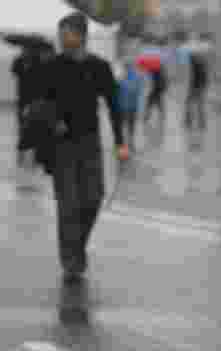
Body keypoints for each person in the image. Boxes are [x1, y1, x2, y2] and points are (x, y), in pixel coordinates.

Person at [39, 12, 129, 281]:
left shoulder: (99, 67)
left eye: (66, 33)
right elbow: (41, 102)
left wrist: (120, 143)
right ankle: (71, 260)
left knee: (93, 198)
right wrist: (53, 122)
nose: (62, 38)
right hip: (61, 145)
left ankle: (76, 247)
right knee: (68, 204)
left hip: (90, 143)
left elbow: (114, 106)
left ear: (81, 36)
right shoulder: (52, 66)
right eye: (60, 33)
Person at [12, 45, 54, 167]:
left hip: (37, 99)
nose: (25, 51)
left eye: (27, 49)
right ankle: (21, 156)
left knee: (38, 127)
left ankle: (39, 156)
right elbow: (15, 71)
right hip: (23, 99)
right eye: (24, 49)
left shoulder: (37, 61)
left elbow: (41, 77)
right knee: (22, 127)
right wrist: (24, 64)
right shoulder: (18, 61)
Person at [117, 58, 144, 150]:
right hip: (127, 105)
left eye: (127, 66)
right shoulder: (123, 76)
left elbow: (135, 90)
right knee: (128, 125)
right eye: (126, 66)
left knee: (128, 125)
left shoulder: (126, 77)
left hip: (128, 105)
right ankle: (127, 143)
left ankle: (128, 143)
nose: (126, 68)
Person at [184, 47, 209, 132]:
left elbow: (198, 76)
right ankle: (200, 122)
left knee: (192, 103)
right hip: (198, 85)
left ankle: (190, 120)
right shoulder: (201, 63)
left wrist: (197, 87)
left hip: (196, 85)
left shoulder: (196, 63)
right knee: (199, 104)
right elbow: (203, 77)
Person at [144, 62, 167, 126]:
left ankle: (147, 116)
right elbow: (164, 82)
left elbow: (150, 72)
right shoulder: (161, 71)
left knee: (150, 103)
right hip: (158, 90)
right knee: (158, 103)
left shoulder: (156, 70)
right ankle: (162, 116)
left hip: (156, 89)